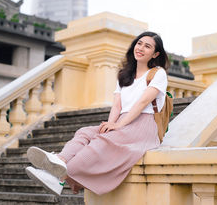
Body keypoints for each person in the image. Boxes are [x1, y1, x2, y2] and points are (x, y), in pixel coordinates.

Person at [25, 31, 169, 196]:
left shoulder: (158, 73)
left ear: (155, 54)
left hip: (143, 126)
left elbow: (143, 102)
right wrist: (109, 125)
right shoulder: (124, 75)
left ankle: (59, 177)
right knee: (85, 132)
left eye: (147, 46)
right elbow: (116, 106)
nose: (141, 48)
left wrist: (118, 125)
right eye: (139, 43)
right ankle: (60, 161)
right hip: (123, 121)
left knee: (101, 141)